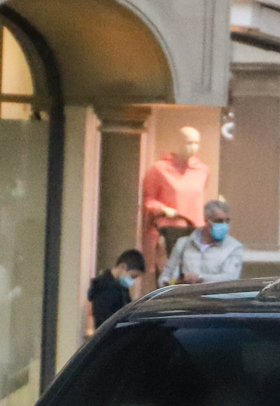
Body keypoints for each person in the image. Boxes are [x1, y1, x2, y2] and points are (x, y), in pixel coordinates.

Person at [141, 125, 210, 276]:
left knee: (192, 274)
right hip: (169, 230)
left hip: (195, 230)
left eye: (196, 143)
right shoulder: (159, 169)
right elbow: (149, 199)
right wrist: (163, 209)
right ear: (177, 142)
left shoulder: (202, 170)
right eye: (188, 143)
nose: (193, 147)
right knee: (170, 273)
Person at [167, 199, 245, 284]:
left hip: (215, 296)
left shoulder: (234, 247)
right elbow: (166, 275)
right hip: (185, 295)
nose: (224, 225)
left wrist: (199, 278)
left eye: (227, 221)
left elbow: (230, 278)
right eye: (218, 221)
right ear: (206, 219)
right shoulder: (183, 244)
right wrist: (169, 283)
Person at [89, 249, 144, 330]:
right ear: (122, 267)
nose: (133, 281)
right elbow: (104, 320)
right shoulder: (103, 287)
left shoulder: (122, 287)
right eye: (133, 276)